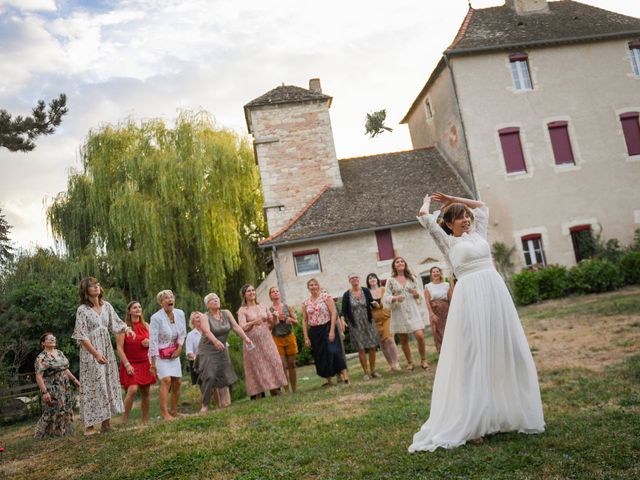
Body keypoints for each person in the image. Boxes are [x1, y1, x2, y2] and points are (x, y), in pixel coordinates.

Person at [409, 192, 544, 452]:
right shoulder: (447, 242)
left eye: (465, 215)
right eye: (459, 217)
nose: (466, 219)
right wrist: (429, 202)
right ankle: (472, 422)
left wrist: (451, 198)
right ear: (449, 223)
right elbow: (425, 217)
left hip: (495, 294)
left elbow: (482, 206)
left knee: (504, 349)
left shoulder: (480, 233)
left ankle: (508, 412)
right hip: (469, 299)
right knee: (473, 354)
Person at [72, 277, 135, 435]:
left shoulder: (107, 306)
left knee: (106, 382)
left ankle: (106, 424)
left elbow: (116, 324)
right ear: (85, 291)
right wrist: (95, 354)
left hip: (106, 348)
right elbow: (82, 336)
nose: (96, 287)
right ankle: (90, 426)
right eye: (92, 286)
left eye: (97, 285)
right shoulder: (82, 310)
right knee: (93, 385)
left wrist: (127, 330)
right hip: (91, 351)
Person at [197, 293, 254, 411]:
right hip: (208, 349)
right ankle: (204, 405)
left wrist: (246, 338)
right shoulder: (204, 316)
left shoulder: (226, 313)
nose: (216, 300)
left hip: (221, 349)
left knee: (224, 376)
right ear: (207, 305)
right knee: (210, 376)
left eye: (217, 298)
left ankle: (225, 404)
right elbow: (207, 331)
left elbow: (236, 327)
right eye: (212, 300)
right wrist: (215, 341)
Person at [237, 284, 288, 399]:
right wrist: (254, 322)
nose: (252, 293)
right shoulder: (242, 310)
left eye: (253, 290)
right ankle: (258, 392)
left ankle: (275, 389)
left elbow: (274, 324)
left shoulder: (262, 306)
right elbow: (242, 327)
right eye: (249, 291)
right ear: (244, 295)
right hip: (252, 343)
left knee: (273, 361)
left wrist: (275, 317)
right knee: (257, 366)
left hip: (266, 339)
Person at [382, 257, 429, 371]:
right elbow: (386, 297)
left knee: (420, 335)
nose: (400, 263)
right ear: (394, 266)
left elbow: (420, 295)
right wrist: (395, 297)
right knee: (404, 339)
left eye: (402, 261)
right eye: (397, 262)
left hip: (413, 309)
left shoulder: (412, 278)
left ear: (405, 264)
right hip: (399, 311)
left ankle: (423, 359)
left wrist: (415, 293)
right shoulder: (391, 280)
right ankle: (410, 362)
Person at [302, 278, 350, 386]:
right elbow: (304, 320)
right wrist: (306, 337)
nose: (313, 286)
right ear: (308, 288)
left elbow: (333, 313)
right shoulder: (305, 302)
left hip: (328, 326)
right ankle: (329, 380)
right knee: (321, 355)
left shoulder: (325, 297)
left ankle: (345, 377)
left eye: (315, 284)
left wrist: (332, 330)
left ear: (318, 286)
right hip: (314, 331)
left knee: (335, 351)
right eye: (311, 285)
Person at [149, 289, 187, 420]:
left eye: (171, 297)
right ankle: (164, 413)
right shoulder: (156, 318)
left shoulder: (180, 313)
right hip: (159, 354)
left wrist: (180, 347)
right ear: (161, 303)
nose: (170, 299)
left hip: (174, 352)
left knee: (177, 382)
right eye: (166, 298)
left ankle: (174, 411)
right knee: (166, 380)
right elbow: (153, 341)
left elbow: (182, 333)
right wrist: (153, 363)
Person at [116, 301, 155, 424]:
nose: (138, 309)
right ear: (129, 311)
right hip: (131, 363)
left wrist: (148, 342)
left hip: (145, 363)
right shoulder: (123, 328)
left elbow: (154, 343)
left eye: (139, 306)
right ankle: (123, 420)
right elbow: (119, 348)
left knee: (146, 392)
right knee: (132, 390)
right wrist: (127, 365)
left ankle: (145, 420)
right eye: (134, 307)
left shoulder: (146, 326)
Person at [34, 332, 79, 438]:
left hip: (64, 384)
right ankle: (43, 433)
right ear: (43, 343)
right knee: (52, 409)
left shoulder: (59, 352)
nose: (52, 339)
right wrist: (45, 392)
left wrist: (75, 380)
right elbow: (38, 375)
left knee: (65, 407)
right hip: (51, 386)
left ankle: (64, 431)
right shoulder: (41, 358)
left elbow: (65, 369)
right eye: (49, 339)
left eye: (53, 338)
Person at [340, 274, 381, 380]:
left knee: (372, 346)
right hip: (355, 324)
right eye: (352, 278)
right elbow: (343, 310)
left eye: (356, 277)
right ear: (349, 281)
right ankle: (366, 373)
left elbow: (372, 303)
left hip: (368, 322)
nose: (354, 279)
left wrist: (375, 304)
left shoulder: (366, 291)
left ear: (359, 279)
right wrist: (343, 319)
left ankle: (373, 371)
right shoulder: (346, 294)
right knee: (361, 349)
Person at [366, 273, 401, 372]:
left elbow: (388, 301)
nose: (372, 279)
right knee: (383, 343)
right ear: (368, 282)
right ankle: (391, 365)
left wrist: (378, 304)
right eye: (370, 278)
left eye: (373, 277)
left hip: (386, 317)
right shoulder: (367, 293)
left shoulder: (383, 290)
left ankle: (396, 363)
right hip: (375, 321)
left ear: (377, 279)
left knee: (389, 339)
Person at [268, 286, 299, 393]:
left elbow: (296, 322)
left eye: (277, 291)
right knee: (282, 365)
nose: (275, 293)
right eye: (273, 292)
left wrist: (290, 319)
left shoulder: (287, 306)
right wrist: (275, 319)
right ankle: (286, 390)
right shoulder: (269, 310)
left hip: (289, 336)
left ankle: (294, 390)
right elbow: (269, 327)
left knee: (291, 364)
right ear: (270, 296)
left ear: (279, 294)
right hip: (277, 338)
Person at [424, 267, 453, 354]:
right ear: (431, 274)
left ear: (440, 273)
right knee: (437, 331)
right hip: (435, 311)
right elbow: (427, 301)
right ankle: (442, 352)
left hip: (446, 311)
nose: (436, 273)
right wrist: (431, 314)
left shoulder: (446, 285)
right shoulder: (428, 286)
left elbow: (451, 299)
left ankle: (451, 351)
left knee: (448, 330)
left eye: (437, 271)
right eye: (433, 272)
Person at [185, 313, 203, 387]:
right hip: (198, 363)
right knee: (203, 387)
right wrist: (197, 358)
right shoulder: (190, 335)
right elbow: (189, 352)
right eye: (197, 317)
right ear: (193, 322)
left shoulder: (208, 331)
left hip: (210, 360)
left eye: (201, 317)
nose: (200, 319)